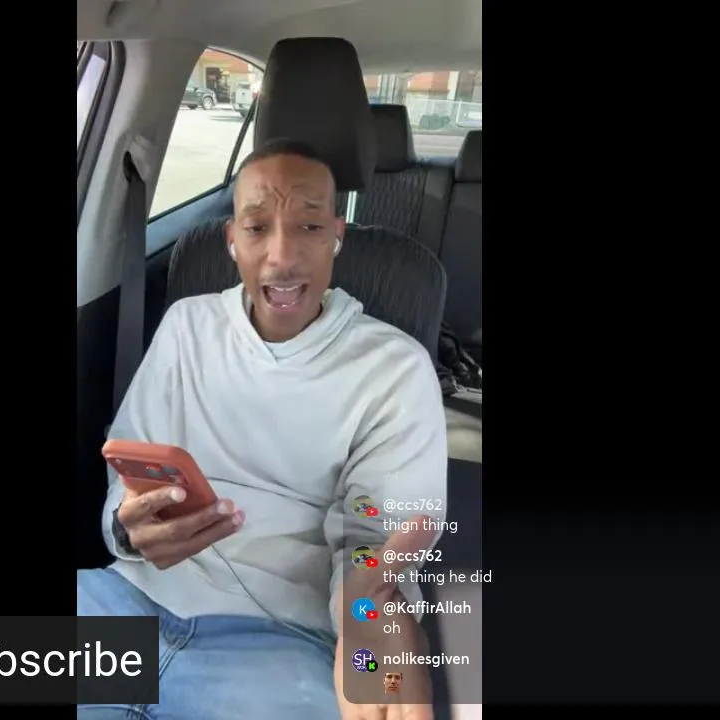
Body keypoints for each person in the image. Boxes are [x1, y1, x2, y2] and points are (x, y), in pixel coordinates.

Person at [76, 138, 448, 720]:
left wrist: (370, 622)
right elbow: (127, 478)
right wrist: (126, 531)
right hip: (121, 603)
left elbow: (375, 540)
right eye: (256, 228)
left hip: (280, 648)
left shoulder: (394, 368)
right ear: (232, 240)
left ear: (337, 236)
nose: (281, 256)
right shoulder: (185, 327)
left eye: (309, 227)